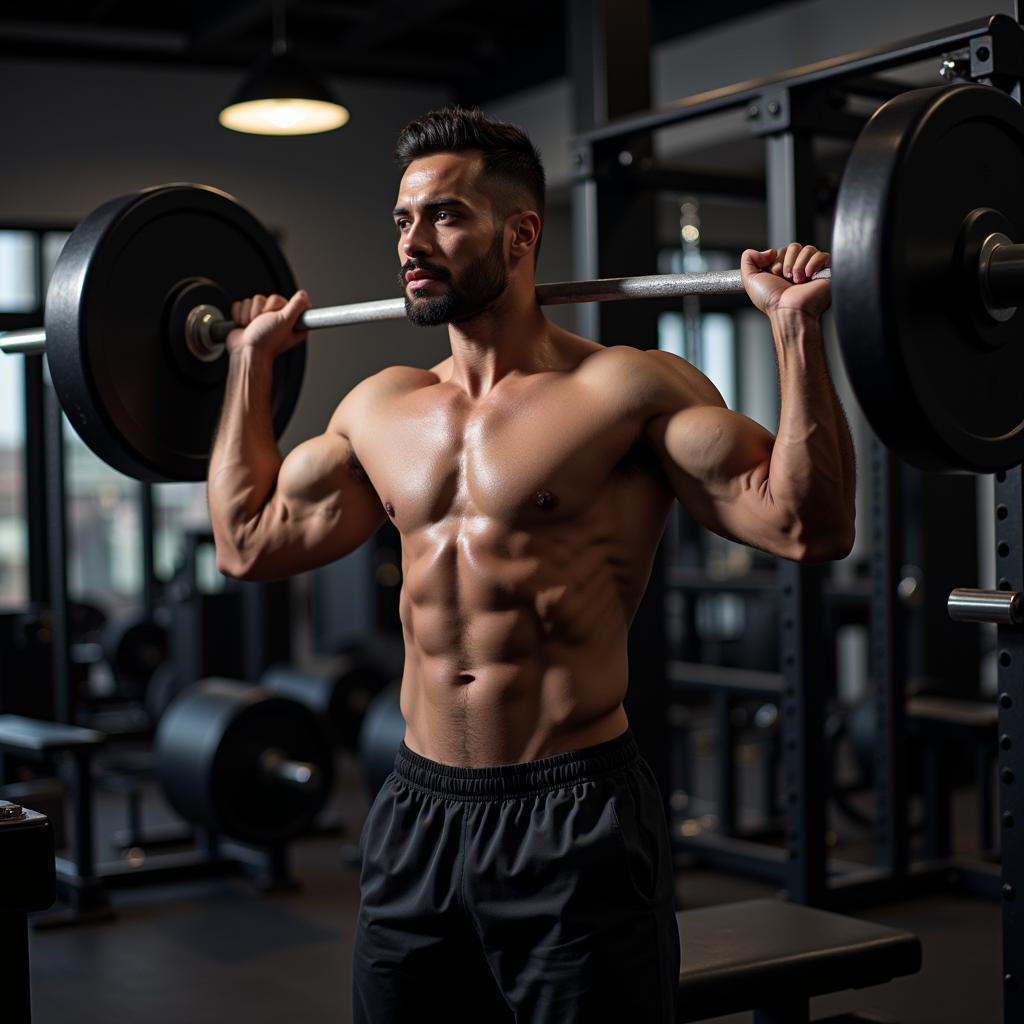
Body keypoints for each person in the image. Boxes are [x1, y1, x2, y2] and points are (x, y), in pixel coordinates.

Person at [208, 107, 855, 1023]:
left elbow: (806, 526)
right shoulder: (380, 408)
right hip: (417, 812)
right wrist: (245, 368)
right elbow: (247, 542)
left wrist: (795, 333)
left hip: (573, 813)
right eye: (403, 220)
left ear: (522, 234)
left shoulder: (626, 390)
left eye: (444, 216)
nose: (413, 242)